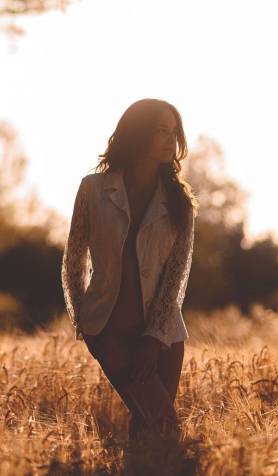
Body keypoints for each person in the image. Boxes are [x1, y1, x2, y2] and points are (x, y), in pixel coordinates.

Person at [61, 98, 199, 442]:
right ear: (138, 134)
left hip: (165, 337)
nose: (172, 140)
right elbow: (73, 258)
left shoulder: (180, 202)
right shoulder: (93, 189)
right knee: (164, 424)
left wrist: (153, 338)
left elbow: (176, 276)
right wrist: (85, 322)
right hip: (111, 331)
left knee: (150, 434)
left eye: (175, 132)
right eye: (161, 131)